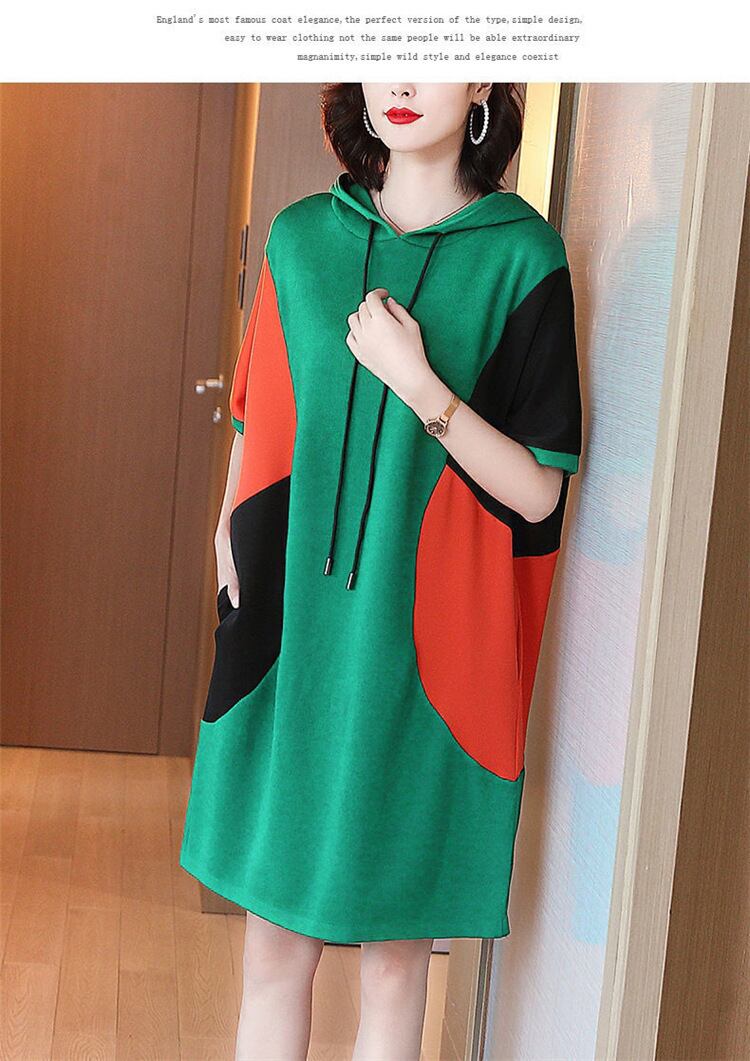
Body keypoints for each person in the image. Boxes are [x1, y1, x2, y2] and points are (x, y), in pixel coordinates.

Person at [179, 81, 583, 1061]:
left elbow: (538, 493)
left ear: (482, 79)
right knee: (273, 949)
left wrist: (418, 383)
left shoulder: (524, 257)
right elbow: (257, 418)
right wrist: (226, 541)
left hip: (426, 660)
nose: (401, 77)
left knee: (398, 968)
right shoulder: (298, 239)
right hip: (294, 645)